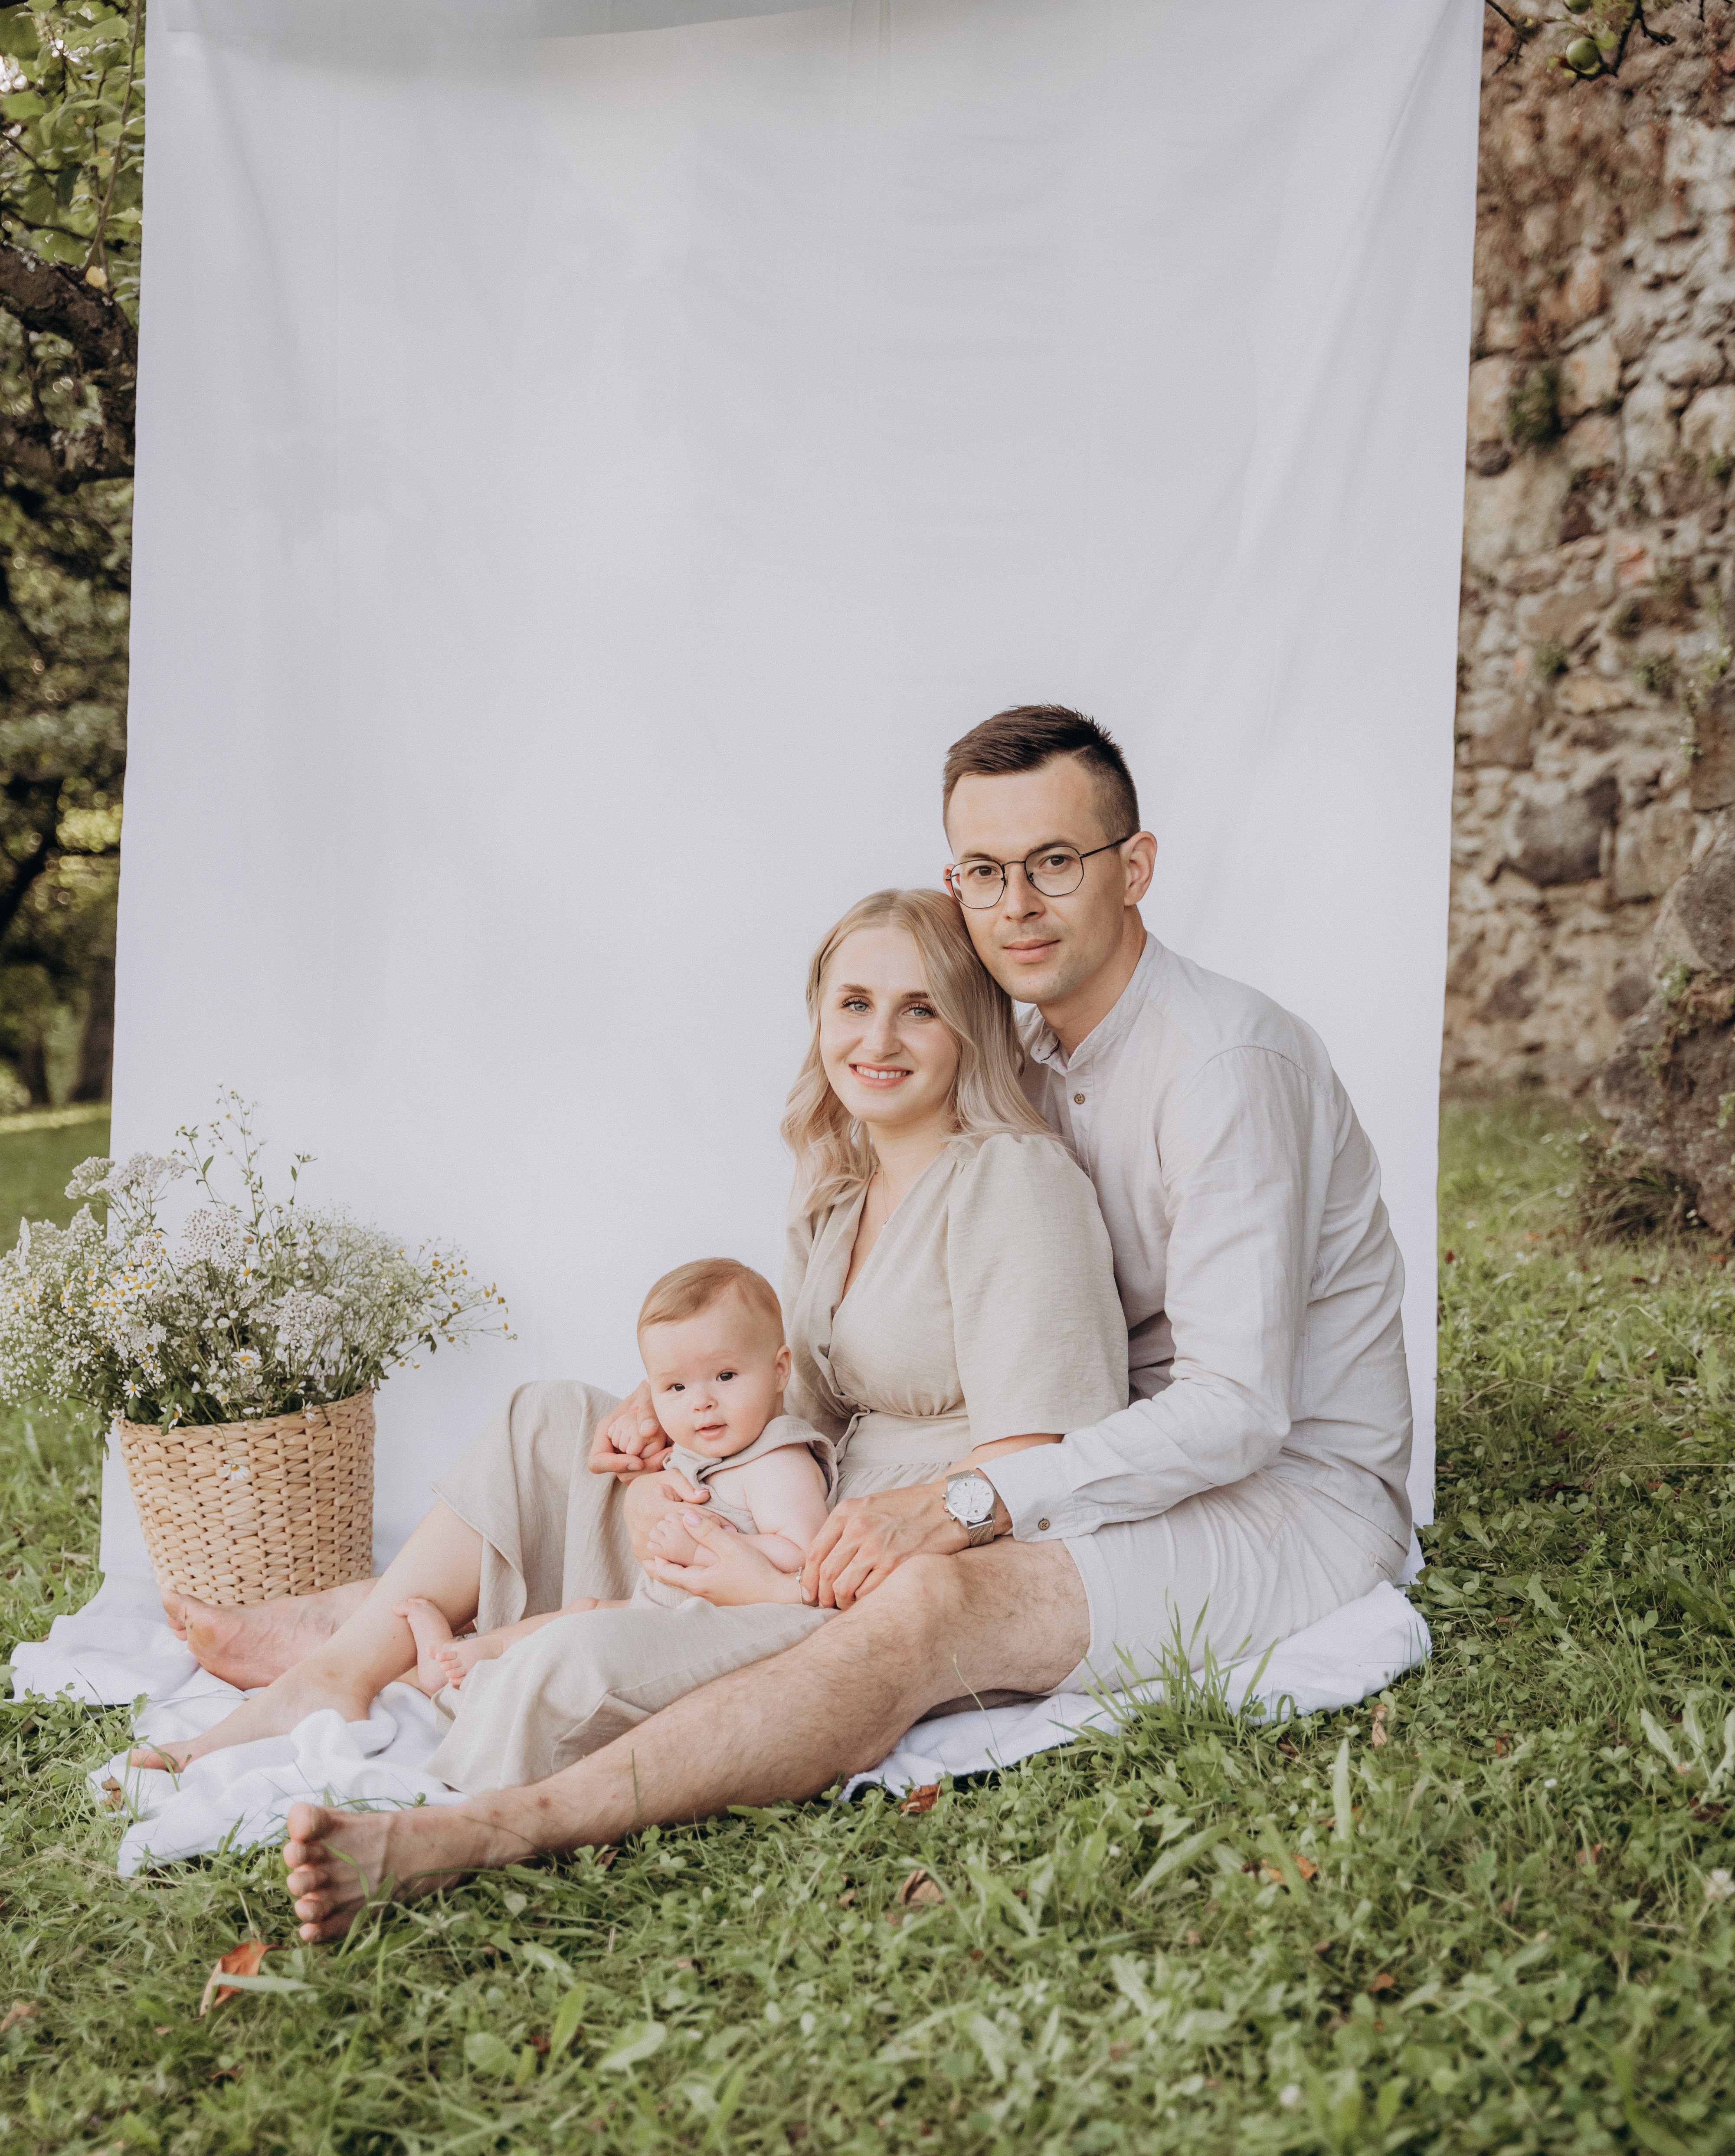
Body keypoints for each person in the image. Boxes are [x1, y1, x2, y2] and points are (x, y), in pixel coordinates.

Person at [263, 701, 1412, 1941]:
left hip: (1286, 1494)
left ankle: (493, 1828)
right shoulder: (1014, 1046)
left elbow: (1241, 1413)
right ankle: (356, 1630)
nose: (1016, 904)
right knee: (591, 1434)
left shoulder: (1224, 1067)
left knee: (925, 1607)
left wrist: (965, 1503)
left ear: (1135, 867)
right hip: (1113, 1456)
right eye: (985, 871)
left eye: (1055, 864)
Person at [136, 882, 1126, 1811]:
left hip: (866, 1579)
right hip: (783, 1506)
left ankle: (439, 1751)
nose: (877, 1037)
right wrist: (672, 1435)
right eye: (854, 1002)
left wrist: (774, 1578)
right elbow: (803, 1406)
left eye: (919, 1008)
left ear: (971, 1023)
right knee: (550, 1420)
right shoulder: (835, 1188)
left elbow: (1041, 1466)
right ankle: (333, 1678)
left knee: (564, 1671)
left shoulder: (1012, 1183)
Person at [395, 1256, 836, 1696]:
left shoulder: (777, 1462)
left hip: (709, 1632)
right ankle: (467, 1657)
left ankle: (478, 1669)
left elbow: (803, 1555)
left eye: (725, 1376)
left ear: (780, 1370)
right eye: (675, 1388)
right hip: (662, 1608)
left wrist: (703, 1547)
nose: (700, 1402)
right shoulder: (716, 1445)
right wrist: (634, 1432)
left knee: (577, 1638)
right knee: (581, 1611)